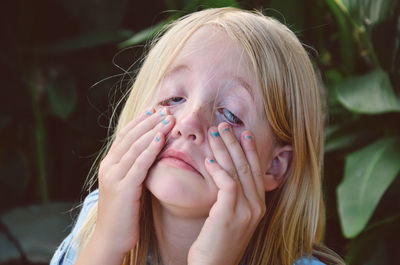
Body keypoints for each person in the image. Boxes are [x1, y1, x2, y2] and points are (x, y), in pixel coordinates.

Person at [50, 7, 345, 265]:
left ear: (274, 165)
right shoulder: (98, 220)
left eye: (230, 115)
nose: (188, 122)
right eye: (173, 98)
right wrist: (107, 244)